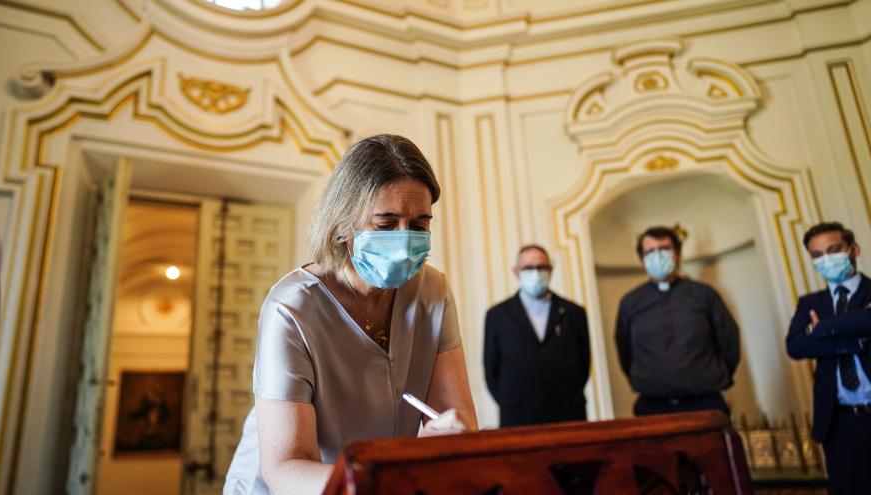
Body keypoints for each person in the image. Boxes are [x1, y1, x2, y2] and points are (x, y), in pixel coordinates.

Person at [224, 134, 478, 495]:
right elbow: (285, 465)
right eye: (386, 225)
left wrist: (453, 438)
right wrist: (379, 484)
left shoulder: (433, 292)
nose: (405, 240)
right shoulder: (292, 306)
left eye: (420, 225)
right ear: (344, 224)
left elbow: (457, 418)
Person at [615, 225, 740, 416]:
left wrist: (714, 377)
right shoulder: (630, 302)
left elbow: (729, 342)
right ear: (642, 260)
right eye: (650, 251)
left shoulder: (703, 294)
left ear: (678, 253)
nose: (658, 256)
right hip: (652, 406)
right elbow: (624, 350)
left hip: (704, 402)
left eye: (664, 249)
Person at [785, 222, 871, 495]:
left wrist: (821, 329)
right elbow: (796, 346)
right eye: (817, 255)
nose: (826, 260)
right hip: (839, 422)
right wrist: (855, 337)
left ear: (853, 249)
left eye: (833, 250)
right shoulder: (809, 303)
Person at [483, 244, 591, 427]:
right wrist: (510, 401)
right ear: (516, 272)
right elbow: (491, 369)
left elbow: (584, 363)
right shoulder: (497, 315)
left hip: (568, 413)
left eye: (541, 267)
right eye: (528, 268)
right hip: (517, 417)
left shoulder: (574, 312)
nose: (536, 272)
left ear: (551, 270)